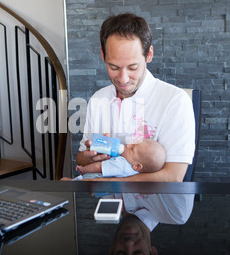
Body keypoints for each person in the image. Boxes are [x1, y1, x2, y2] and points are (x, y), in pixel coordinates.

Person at [76, 13, 195, 183]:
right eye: (114, 67)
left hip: (156, 205)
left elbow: (172, 177)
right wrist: (92, 157)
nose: (123, 79)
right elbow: (80, 158)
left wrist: (107, 184)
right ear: (103, 55)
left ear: (149, 54)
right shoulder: (98, 99)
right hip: (102, 200)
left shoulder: (175, 101)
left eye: (133, 67)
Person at [74, 138, 166, 180]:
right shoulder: (132, 169)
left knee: (71, 183)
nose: (128, 145)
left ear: (137, 166)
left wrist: (84, 169)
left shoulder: (122, 165)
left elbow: (99, 167)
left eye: (132, 149)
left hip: (89, 179)